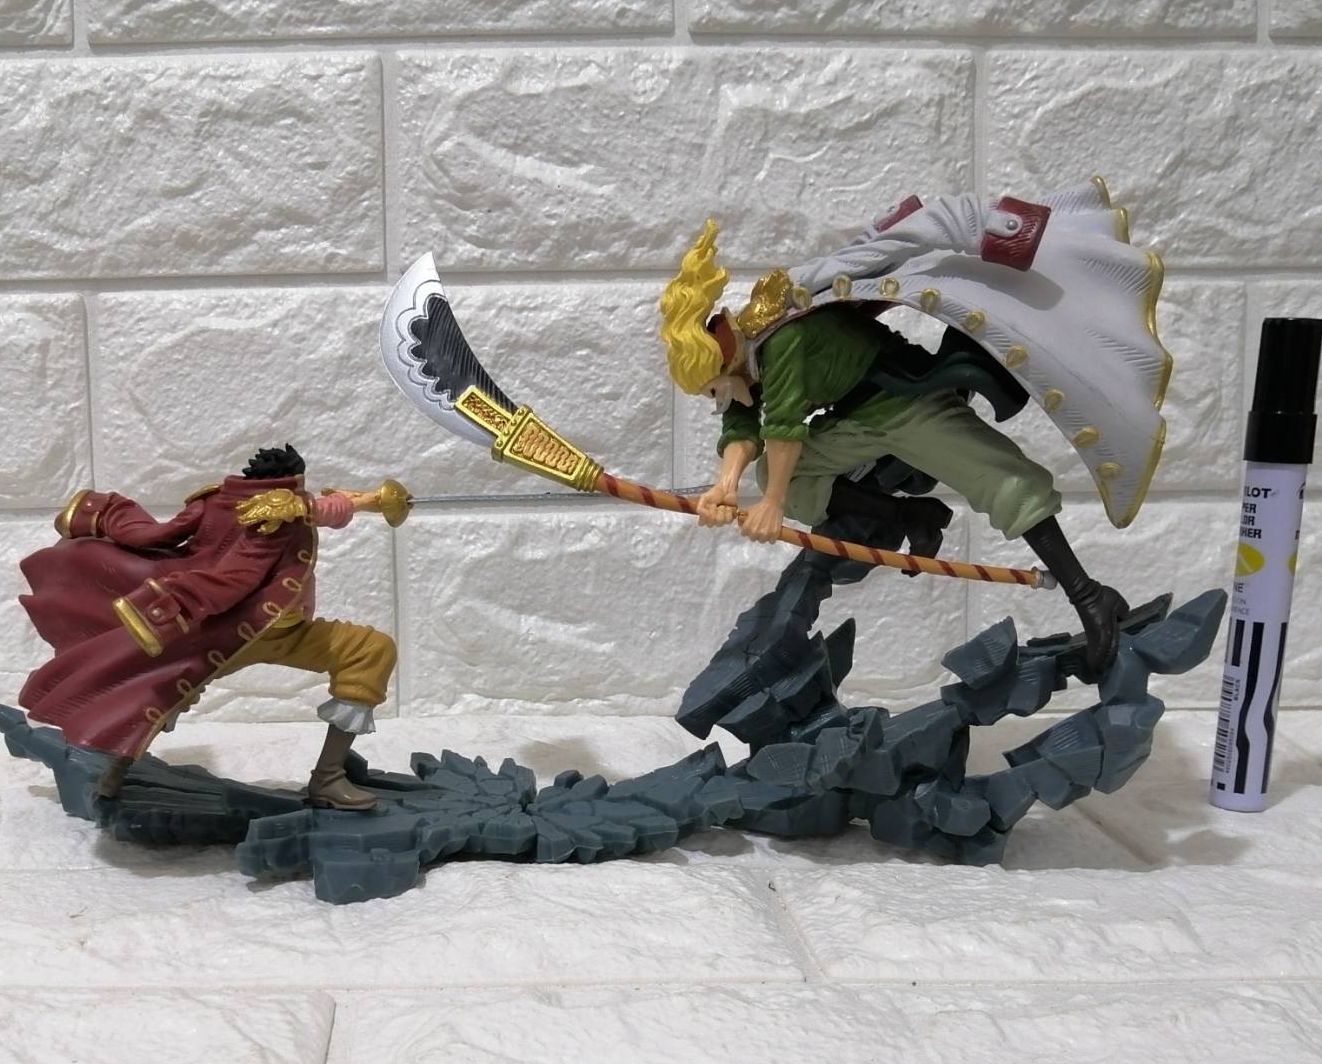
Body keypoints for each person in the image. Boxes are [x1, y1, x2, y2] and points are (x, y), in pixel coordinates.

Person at [660, 212, 1134, 676]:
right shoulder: (745, 354)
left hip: (904, 401)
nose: (717, 396)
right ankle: (911, 515)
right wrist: (725, 487)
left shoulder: (778, 340)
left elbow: (783, 429)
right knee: (786, 476)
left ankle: (1089, 595)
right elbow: (741, 425)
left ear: (721, 352)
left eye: (713, 386)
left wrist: (772, 505)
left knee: (1006, 482)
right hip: (854, 419)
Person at [18, 444, 400, 810]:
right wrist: (174, 605)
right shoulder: (277, 512)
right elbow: (238, 575)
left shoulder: (219, 499)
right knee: (158, 694)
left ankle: (329, 776)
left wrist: (371, 501)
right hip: (233, 633)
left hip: (286, 630)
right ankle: (109, 769)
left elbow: (155, 535)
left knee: (369, 650)